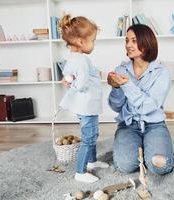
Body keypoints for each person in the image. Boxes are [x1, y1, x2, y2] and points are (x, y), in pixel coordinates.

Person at [107, 24, 174, 175]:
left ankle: (152, 145)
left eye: (134, 40)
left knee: (159, 166)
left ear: (146, 42)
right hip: (128, 125)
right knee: (125, 166)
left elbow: (149, 106)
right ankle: (138, 146)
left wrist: (127, 85)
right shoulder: (120, 70)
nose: (128, 45)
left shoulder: (162, 73)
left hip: (154, 125)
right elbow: (116, 107)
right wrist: (116, 88)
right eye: (127, 40)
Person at [58, 14, 109, 183]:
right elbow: (82, 84)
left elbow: (67, 74)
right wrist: (72, 83)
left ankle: (92, 161)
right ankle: (80, 172)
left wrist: (69, 80)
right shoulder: (81, 60)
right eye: (92, 40)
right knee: (88, 138)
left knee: (92, 135)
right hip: (87, 106)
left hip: (87, 106)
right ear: (80, 41)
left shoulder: (74, 58)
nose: (94, 44)